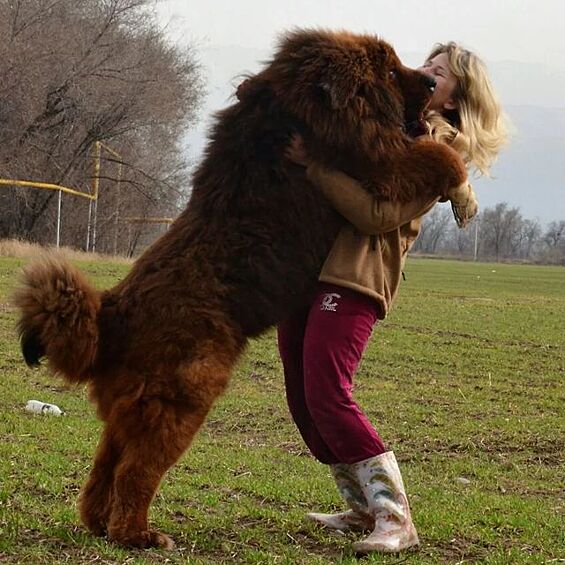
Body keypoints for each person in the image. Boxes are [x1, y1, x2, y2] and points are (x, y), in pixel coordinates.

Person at [278, 41, 507, 554]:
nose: (424, 73)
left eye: (439, 72)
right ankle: (362, 507)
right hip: (308, 270)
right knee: (302, 398)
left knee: (328, 393)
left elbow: (377, 216)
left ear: (453, 99)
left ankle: (396, 518)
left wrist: (315, 165)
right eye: (425, 64)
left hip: (355, 275)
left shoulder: (437, 153)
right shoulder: (389, 124)